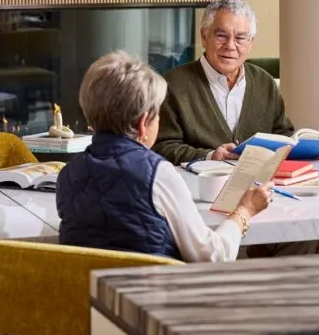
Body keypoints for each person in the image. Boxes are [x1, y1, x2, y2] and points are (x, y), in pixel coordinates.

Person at [56, 51, 271, 262]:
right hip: (151, 294)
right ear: (143, 123)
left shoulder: (68, 175)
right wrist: (245, 210)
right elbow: (213, 255)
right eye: (158, 113)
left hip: (87, 294)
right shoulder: (157, 174)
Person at [154, 0, 294, 166]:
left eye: (240, 38)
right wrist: (209, 156)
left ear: (250, 43)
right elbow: (160, 147)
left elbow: (283, 136)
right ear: (204, 37)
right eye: (221, 35)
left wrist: (305, 153)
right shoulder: (171, 85)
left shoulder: (265, 82)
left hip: (258, 187)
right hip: (199, 187)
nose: (230, 46)